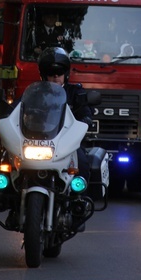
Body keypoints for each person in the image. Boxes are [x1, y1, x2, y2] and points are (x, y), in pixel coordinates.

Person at [37, 47, 92, 182]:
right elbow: (20, 106)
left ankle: (80, 199)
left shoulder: (75, 92)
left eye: (59, 72)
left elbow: (85, 110)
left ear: (65, 74)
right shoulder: (36, 92)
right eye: (51, 72)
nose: (56, 76)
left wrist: (86, 118)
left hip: (67, 140)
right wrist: (8, 112)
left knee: (83, 162)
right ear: (44, 75)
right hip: (39, 139)